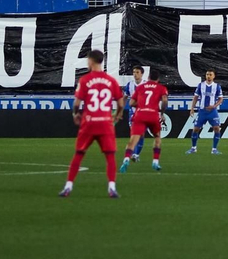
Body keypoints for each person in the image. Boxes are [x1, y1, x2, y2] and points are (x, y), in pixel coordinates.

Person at [60, 48, 123, 199]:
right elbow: (120, 103)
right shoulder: (111, 80)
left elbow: (77, 103)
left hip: (89, 122)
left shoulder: (85, 80)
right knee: (110, 156)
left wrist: (75, 114)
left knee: (79, 154)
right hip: (105, 123)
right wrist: (117, 115)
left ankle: (68, 186)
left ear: (90, 61)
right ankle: (112, 188)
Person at [121, 67, 168, 173]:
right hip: (152, 115)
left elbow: (131, 103)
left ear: (148, 77)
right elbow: (165, 101)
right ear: (158, 79)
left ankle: (126, 159)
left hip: (139, 115)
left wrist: (142, 105)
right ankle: (155, 161)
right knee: (157, 138)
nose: (135, 74)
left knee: (133, 139)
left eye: (137, 72)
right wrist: (161, 112)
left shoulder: (141, 87)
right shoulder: (161, 88)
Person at [187, 69, 222, 155]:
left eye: (210, 75)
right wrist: (192, 108)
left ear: (214, 76)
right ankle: (193, 148)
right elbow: (195, 97)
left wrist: (214, 106)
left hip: (212, 111)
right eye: (207, 74)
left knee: (216, 128)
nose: (208, 76)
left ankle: (214, 149)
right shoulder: (201, 85)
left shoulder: (217, 86)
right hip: (202, 111)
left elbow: (221, 99)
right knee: (196, 129)